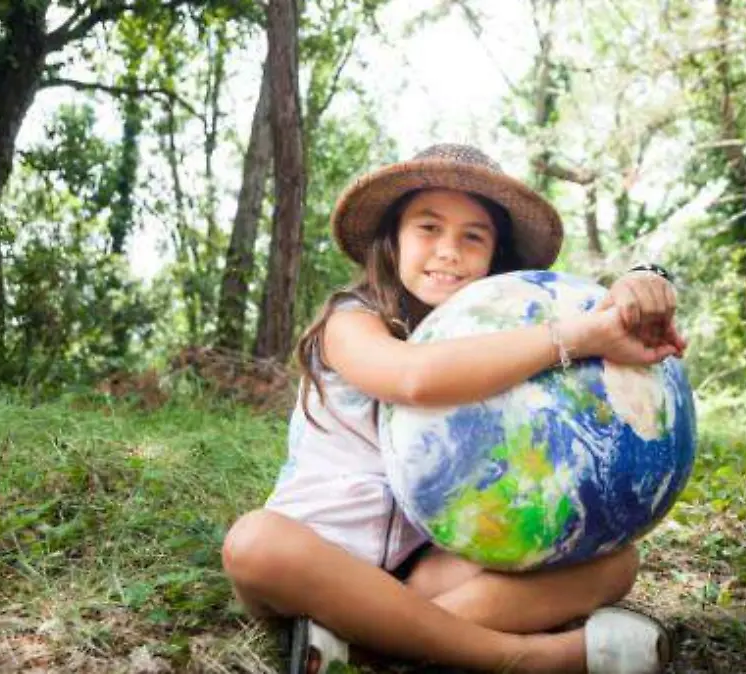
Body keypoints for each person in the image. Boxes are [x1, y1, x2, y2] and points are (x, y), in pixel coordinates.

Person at [222, 144, 687, 674]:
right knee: (253, 541)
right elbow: (413, 378)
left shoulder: (504, 338)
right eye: (428, 227)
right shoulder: (351, 320)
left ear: (496, 257)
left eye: (473, 236)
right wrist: (577, 335)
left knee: (612, 565)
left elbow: (586, 313)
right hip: (314, 565)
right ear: (393, 241)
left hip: (424, 573)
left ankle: (364, 649)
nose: (449, 250)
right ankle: (524, 659)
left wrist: (639, 283)